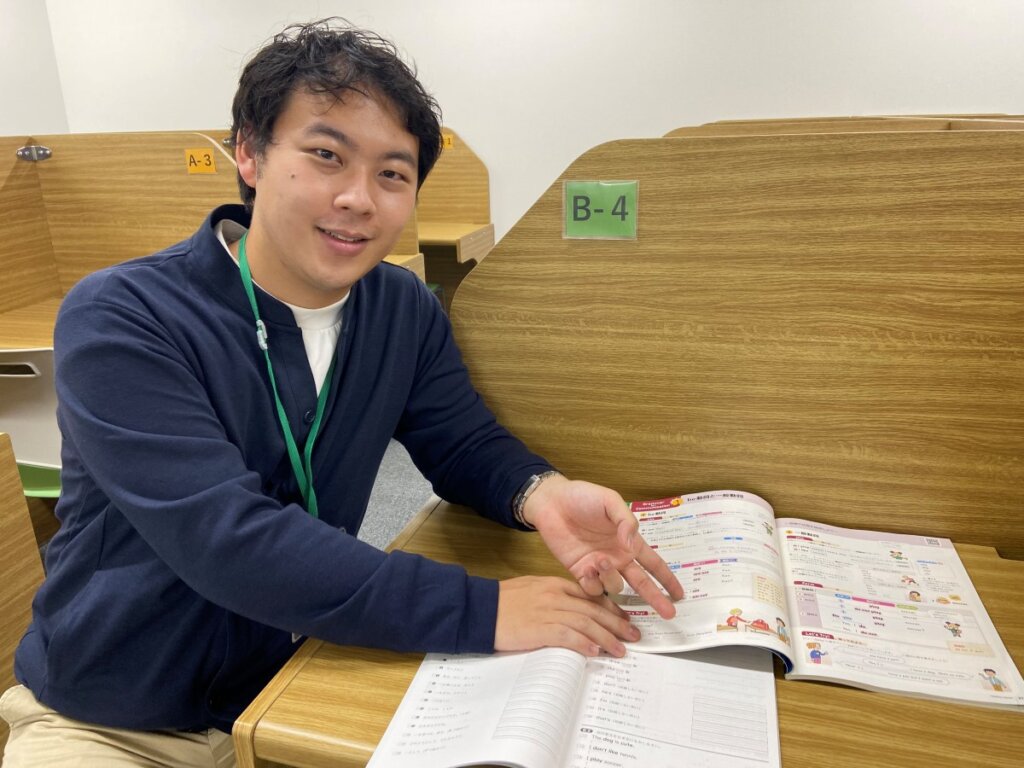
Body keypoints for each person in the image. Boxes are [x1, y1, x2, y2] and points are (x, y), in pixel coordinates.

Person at [0, 19, 683, 767]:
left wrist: (542, 494)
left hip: (292, 683)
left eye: (393, 173)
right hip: (114, 719)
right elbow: (228, 541)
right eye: (326, 156)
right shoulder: (124, 315)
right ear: (250, 153)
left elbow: (460, 443)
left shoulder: (400, 306)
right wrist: (485, 610)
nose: (359, 198)